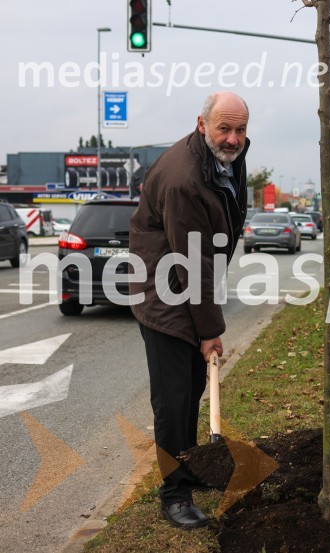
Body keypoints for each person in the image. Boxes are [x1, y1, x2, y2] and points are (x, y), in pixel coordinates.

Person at [129, 91, 250, 529]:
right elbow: (191, 261)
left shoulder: (222, 159)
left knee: (193, 389)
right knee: (173, 400)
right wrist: (209, 331)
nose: (233, 138)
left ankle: (190, 467)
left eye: (240, 129)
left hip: (188, 283)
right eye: (224, 128)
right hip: (164, 294)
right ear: (202, 125)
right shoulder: (184, 179)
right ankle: (174, 494)